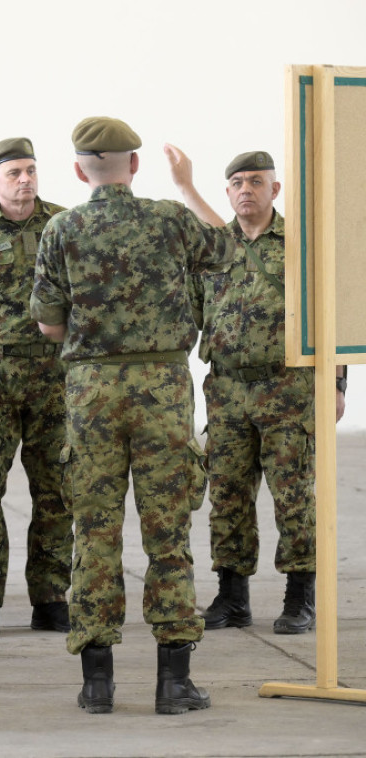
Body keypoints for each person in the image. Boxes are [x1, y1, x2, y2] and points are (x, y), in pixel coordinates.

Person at [30, 117, 234, 715]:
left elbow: (48, 324)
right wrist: (187, 185)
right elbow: (226, 248)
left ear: (78, 170)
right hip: (162, 390)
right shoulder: (171, 220)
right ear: (135, 165)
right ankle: (174, 682)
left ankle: (97, 684)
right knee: (168, 532)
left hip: (91, 391)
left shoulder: (61, 228)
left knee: (94, 533)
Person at [165, 145, 346, 635]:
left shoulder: (301, 246)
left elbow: (331, 315)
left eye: (256, 181)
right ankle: (232, 597)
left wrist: (336, 383)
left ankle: (299, 597)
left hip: (287, 390)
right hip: (226, 391)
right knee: (227, 496)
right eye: (238, 183)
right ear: (228, 193)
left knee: (294, 497)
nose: (246, 190)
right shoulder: (213, 252)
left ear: (275, 189)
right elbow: (191, 314)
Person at [0, 138, 73, 638]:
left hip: (54, 372)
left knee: (56, 489)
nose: (25, 180)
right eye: (13, 173)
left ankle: (50, 597)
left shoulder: (64, 224)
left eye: (30, 170)